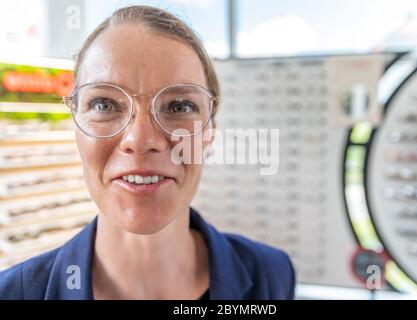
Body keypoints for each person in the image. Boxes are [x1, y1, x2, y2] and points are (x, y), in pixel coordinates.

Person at [0, 5, 296, 300]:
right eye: (104, 104)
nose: (140, 140)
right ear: (76, 129)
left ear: (210, 134)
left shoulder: (271, 275)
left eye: (179, 106)